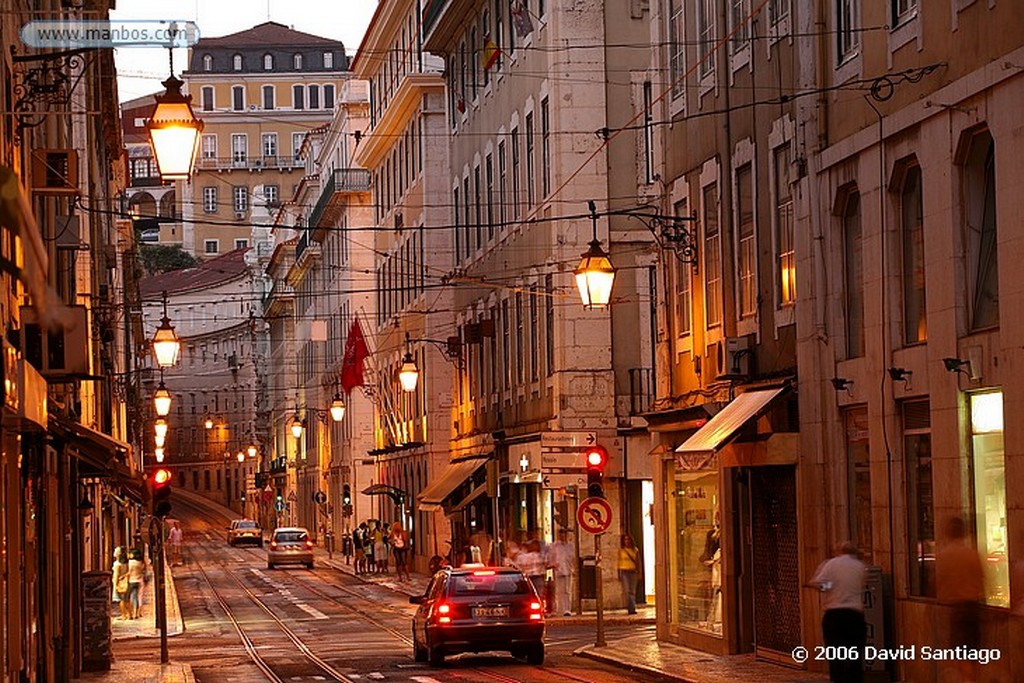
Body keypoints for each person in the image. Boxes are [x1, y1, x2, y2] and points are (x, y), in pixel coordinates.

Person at [809, 541, 867, 683]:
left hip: (834, 614)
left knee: (836, 653)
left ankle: (838, 679)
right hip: (855, 615)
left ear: (839, 551)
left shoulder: (831, 564)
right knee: (855, 653)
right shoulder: (860, 567)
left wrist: (830, 586)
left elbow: (818, 583)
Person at [936, 516, 984, 683]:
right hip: (973, 607)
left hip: (956, 609)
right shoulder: (972, 555)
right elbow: (981, 581)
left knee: (958, 654)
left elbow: (938, 584)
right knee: (972, 655)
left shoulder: (943, 556)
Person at [548, 530, 575, 616]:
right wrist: (553, 564)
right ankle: (558, 609)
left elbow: (573, 558)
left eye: (564, 534)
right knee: (558, 591)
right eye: (560, 534)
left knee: (567, 591)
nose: (562, 536)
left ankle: (567, 609)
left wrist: (573, 568)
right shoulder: (554, 546)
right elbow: (551, 557)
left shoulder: (570, 546)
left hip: (568, 569)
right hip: (558, 570)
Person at [617, 534, 640, 615]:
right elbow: (619, 563)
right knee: (627, 591)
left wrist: (639, 573)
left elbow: (638, 562)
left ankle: (632, 608)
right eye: (625, 540)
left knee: (632, 591)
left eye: (628, 539)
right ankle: (631, 608)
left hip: (633, 571)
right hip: (624, 572)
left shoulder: (635, 550)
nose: (626, 541)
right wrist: (618, 573)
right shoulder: (621, 551)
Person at [112, 546, 130, 620]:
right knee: (126, 599)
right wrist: (124, 576)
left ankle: (123, 615)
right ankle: (129, 614)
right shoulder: (126, 562)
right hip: (125, 582)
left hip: (119, 583)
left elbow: (116, 575)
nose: (114, 552)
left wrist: (115, 585)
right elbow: (128, 572)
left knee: (121, 600)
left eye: (116, 551)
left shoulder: (117, 564)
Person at [127, 548, 146, 619]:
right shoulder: (141, 562)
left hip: (132, 580)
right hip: (140, 580)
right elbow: (144, 570)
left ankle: (131, 613)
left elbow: (128, 572)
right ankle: (138, 613)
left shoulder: (131, 563)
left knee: (131, 597)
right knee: (139, 597)